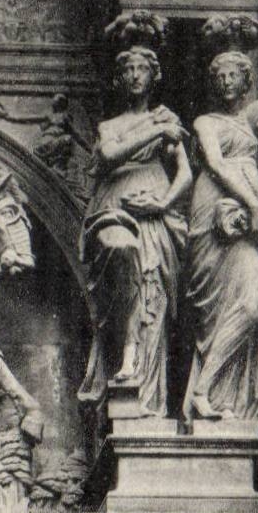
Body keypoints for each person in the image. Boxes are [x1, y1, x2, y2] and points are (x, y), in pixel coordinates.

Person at [183, 18, 258, 423]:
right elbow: (217, 164)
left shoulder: (254, 117)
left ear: (247, 79)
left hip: (248, 211)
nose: (226, 82)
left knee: (252, 306)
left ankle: (206, 390)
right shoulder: (205, 122)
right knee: (220, 308)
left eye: (234, 74)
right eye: (218, 76)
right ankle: (202, 395)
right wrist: (252, 202)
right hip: (213, 208)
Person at [78, 33, 191, 417]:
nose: (135, 76)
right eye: (127, 70)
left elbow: (186, 175)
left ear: (153, 76)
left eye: (142, 69)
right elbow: (109, 154)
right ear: (118, 79)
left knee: (152, 295)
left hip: (156, 216)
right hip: (114, 207)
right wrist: (157, 129)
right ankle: (123, 365)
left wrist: (162, 202)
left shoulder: (167, 120)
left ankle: (145, 399)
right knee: (120, 257)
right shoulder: (113, 125)